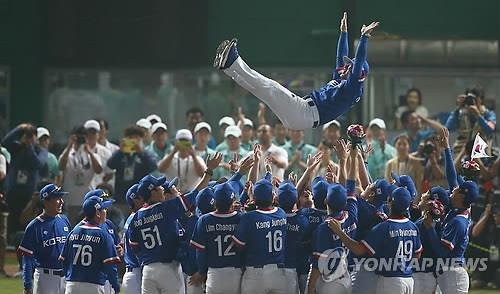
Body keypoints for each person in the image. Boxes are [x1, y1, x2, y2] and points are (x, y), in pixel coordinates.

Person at [214, 12, 379, 130]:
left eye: (350, 66)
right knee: (264, 91)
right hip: (303, 114)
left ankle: (232, 61)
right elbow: (340, 57)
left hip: (305, 114)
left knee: (270, 87)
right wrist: (344, 33)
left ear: (359, 74)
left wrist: (364, 38)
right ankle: (230, 67)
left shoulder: (352, 88)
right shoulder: (342, 81)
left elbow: (358, 67)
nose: (347, 66)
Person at [420, 126, 480, 294]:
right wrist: (447, 148)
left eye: (457, 190)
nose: (452, 190)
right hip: (446, 273)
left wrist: (430, 227)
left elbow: (442, 254)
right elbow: (451, 176)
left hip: (453, 273)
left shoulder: (458, 221)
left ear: (462, 196)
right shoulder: (459, 206)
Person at [328, 187, 422, 294]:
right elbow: (417, 255)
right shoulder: (413, 227)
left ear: (390, 202)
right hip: (409, 280)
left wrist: (339, 232)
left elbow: (358, 250)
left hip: (391, 281)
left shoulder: (384, 227)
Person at [308, 147, 359, 294]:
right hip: (346, 278)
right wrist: (350, 158)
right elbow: (350, 184)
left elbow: (318, 266)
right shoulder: (352, 214)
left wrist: (311, 289)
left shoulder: (325, 227)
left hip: (329, 282)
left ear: (325, 201)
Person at [231, 177, 288, 294]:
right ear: (272, 197)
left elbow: (239, 246)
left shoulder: (248, 217)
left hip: (255, 274)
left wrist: (251, 198)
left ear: (254, 200)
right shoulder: (281, 214)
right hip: (279, 273)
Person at [59, 196, 121, 294]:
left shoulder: (73, 232)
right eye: (103, 209)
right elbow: (110, 266)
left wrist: (69, 277)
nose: (106, 211)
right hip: (94, 285)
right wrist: (116, 287)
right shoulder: (103, 235)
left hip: (72, 285)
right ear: (97, 213)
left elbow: (63, 260)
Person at [190, 182, 242, 294]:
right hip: (237, 273)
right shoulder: (241, 218)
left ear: (215, 202)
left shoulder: (204, 220)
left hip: (214, 274)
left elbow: (200, 252)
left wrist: (201, 271)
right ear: (232, 202)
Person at [17, 184, 70, 294]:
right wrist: (27, 285)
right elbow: (27, 258)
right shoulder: (34, 226)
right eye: (57, 198)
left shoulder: (64, 220)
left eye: (61, 198)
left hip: (66, 277)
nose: (61, 202)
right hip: (45, 279)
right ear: (46, 201)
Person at [2, 123, 47, 237]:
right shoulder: (16, 148)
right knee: (10, 225)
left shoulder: (39, 150)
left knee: (26, 225)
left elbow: (38, 164)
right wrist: (19, 129)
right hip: (13, 192)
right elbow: (5, 142)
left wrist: (30, 146)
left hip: (28, 194)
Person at [59, 126, 103, 224]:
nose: (80, 140)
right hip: (71, 200)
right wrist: (70, 146)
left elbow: (98, 170)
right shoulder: (68, 154)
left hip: (88, 200)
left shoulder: (93, 155)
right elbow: (61, 167)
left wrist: (89, 151)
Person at [107, 126, 157, 210]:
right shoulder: (121, 154)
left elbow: (152, 166)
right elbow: (110, 164)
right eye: (130, 138)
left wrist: (140, 153)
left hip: (140, 198)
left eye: (136, 139)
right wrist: (120, 151)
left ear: (141, 140)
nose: (133, 141)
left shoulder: (145, 154)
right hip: (121, 198)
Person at [445, 87, 496, 155]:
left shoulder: (488, 114)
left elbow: (489, 130)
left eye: (474, 99)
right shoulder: (460, 113)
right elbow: (448, 128)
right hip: (461, 151)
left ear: (480, 100)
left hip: (480, 151)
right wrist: (458, 108)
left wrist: (478, 115)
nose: (471, 101)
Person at [122, 184, 143, 294]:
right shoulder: (137, 219)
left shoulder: (131, 217)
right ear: (135, 200)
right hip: (135, 274)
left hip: (131, 275)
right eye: (142, 196)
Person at [84, 120, 113, 190]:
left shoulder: (106, 152)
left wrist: (101, 183)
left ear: (98, 134)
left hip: (99, 193)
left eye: (93, 133)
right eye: (88, 133)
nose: (90, 135)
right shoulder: (77, 151)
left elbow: (109, 173)